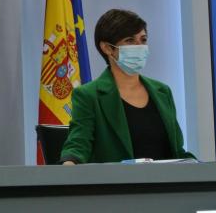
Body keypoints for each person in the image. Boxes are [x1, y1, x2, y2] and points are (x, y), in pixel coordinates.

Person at [60, 9, 195, 164]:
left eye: (143, 40)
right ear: (107, 48)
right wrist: (69, 165)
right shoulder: (89, 95)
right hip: (117, 186)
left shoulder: (162, 91)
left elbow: (177, 151)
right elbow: (78, 145)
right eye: (130, 41)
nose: (139, 47)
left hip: (165, 185)